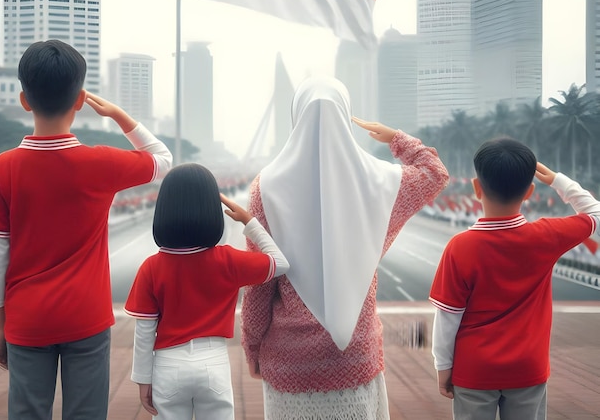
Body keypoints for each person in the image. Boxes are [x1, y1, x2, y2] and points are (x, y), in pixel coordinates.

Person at [0, 39, 173, 420]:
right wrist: (118, 116)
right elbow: (162, 159)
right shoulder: (100, 163)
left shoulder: (1, 169)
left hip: (27, 320)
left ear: (23, 100)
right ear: (80, 100)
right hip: (86, 317)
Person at [240, 75, 449, 420]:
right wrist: (396, 138)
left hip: (289, 362)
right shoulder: (379, 182)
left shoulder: (266, 187)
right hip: (355, 355)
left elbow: (260, 284)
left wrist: (253, 349)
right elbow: (434, 173)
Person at [429, 137, 600, 420]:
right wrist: (558, 181)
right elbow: (595, 212)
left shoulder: (460, 247)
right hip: (528, 369)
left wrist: (443, 367)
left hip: (474, 370)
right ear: (530, 192)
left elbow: (448, 317)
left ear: (476, 188)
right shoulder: (546, 236)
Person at [124, 163, 289, 420]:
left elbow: (144, 333)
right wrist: (249, 222)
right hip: (214, 363)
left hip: (168, 365)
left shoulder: (151, 267)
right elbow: (280, 262)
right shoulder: (227, 261)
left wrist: (143, 379)